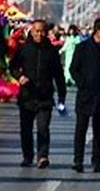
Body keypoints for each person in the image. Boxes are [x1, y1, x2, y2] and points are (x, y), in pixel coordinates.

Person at [10, 19, 66, 168]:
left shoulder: (52, 52)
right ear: (31, 32)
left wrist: (62, 96)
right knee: (26, 129)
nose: (39, 34)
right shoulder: (24, 49)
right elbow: (13, 67)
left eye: (42, 31)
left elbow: (59, 75)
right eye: (36, 31)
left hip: (45, 96)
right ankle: (27, 156)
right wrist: (19, 76)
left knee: (43, 128)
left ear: (46, 33)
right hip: (27, 96)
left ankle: (42, 156)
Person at [69, 17, 100, 173]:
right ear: (97, 31)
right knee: (81, 129)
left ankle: (96, 161)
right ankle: (78, 160)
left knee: (99, 130)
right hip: (85, 94)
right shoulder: (82, 48)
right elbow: (73, 69)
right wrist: (82, 83)